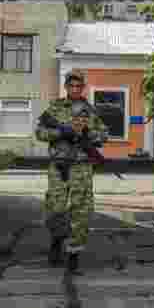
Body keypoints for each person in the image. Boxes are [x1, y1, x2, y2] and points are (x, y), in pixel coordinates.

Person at [35, 71, 109, 274]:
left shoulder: (90, 111)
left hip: (82, 167)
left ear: (82, 87)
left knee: (81, 210)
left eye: (78, 86)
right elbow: (40, 132)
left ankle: (73, 256)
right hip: (59, 166)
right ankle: (56, 241)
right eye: (71, 85)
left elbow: (104, 135)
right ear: (66, 87)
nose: (75, 89)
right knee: (55, 207)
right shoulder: (55, 108)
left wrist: (88, 135)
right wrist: (61, 132)